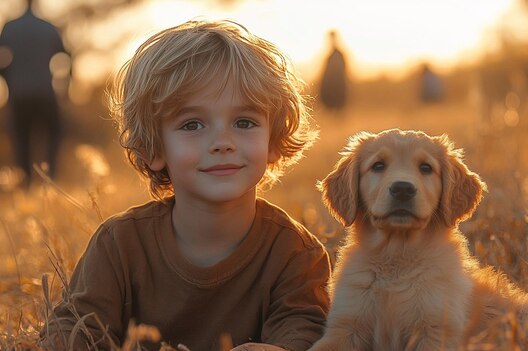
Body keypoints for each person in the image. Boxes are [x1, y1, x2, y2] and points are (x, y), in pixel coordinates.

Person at [39, 20, 331, 351]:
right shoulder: (119, 245)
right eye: (192, 124)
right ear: (155, 149)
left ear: (273, 140)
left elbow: (305, 331)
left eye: (244, 122)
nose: (223, 141)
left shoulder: (294, 252)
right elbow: (72, 329)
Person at [0, 0, 69, 187]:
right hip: (45, 93)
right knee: (53, 135)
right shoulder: (47, 27)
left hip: (20, 95)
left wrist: (9, 80)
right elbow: (66, 56)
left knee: (21, 139)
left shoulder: (10, 27)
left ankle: (26, 183)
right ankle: (50, 179)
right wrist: (65, 87)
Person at [319, 30, 347, 112]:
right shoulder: (330, 56)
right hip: (330, 87)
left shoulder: (338, 55)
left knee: (337, 109)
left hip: (337, 86)